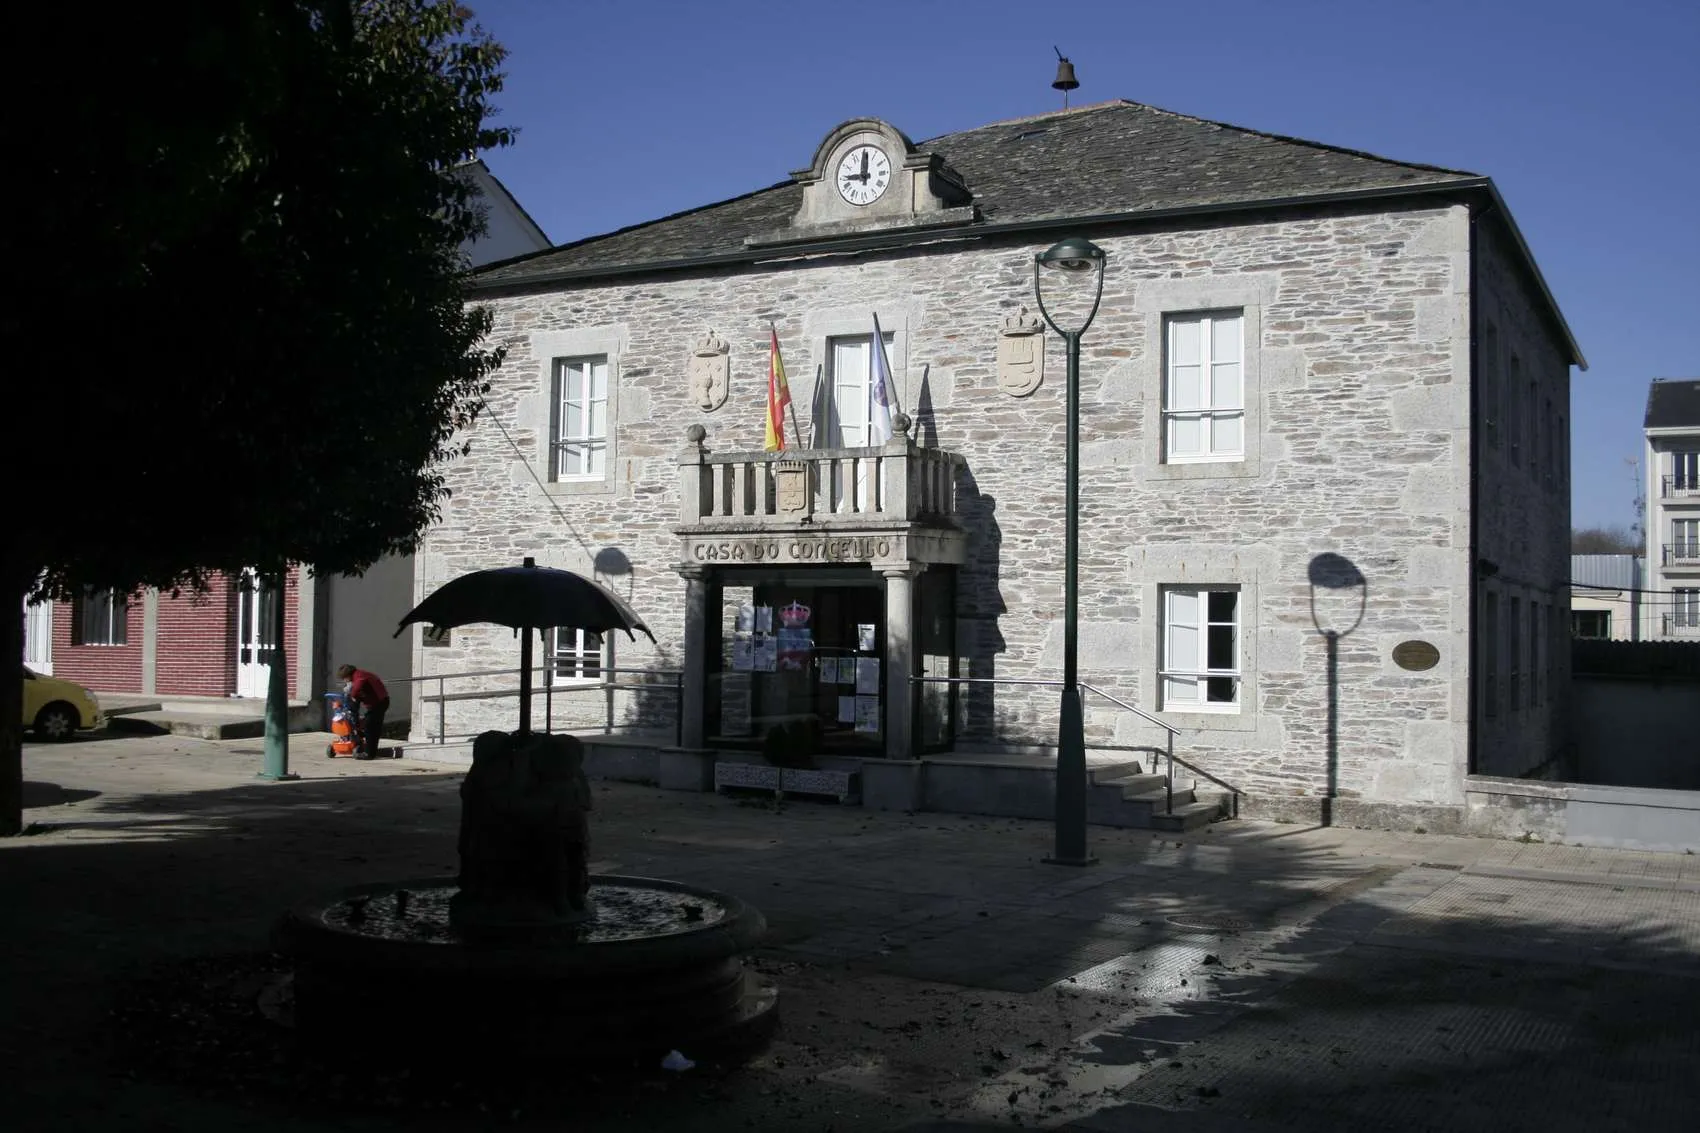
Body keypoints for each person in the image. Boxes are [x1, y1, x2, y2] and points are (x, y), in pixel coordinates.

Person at [336, 663, 390, 760]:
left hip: (379, 703)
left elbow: (357, 688)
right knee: (371, 727)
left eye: (344, 678)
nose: (344, 681)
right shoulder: (359, 675)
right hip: (377, 703)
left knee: (370, 727)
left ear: (347, 675)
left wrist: (352, 696)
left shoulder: (359, 676)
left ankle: (369, 753)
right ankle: (369, 749)